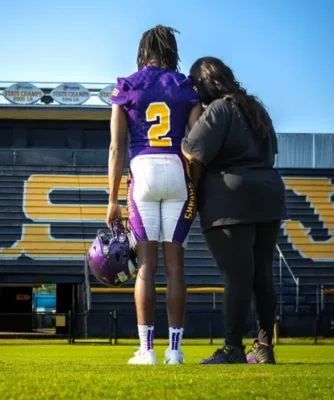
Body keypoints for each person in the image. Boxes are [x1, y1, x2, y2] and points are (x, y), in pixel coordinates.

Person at [181, 56, 287, 364]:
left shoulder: (218, 109)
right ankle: (264, 347)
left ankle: (232, 348)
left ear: (205, 84)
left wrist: (193, 194)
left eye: (194, 82)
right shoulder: (256, 109)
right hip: (268, 192)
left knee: (237, 277)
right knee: (262, 274)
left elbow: (191, 153)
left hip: (229, 198)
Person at [107, 25, 203, 365]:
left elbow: (117, 147)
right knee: (176, 268)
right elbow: (196, 143)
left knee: (147, 266)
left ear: (142, 50)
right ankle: (174, 351)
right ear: (171, 50)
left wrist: (112, 199)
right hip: (177, 168)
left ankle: (146, 350)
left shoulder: (127, 85)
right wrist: (193, 184)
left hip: (143, 169)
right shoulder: (185, 86)